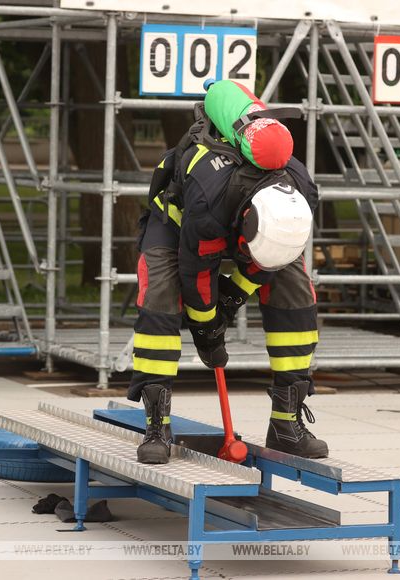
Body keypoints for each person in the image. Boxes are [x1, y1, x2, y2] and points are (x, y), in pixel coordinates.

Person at [129, 127, 328, 464]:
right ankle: (157, 427)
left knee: (294, 286)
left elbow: (275, 256)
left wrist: (233, 295)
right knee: (159, 297)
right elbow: (197, 275)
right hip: (179, 224)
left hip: (250, 228)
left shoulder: (299, 193)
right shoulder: (210, 198)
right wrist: (209, 330)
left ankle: (285, 423)